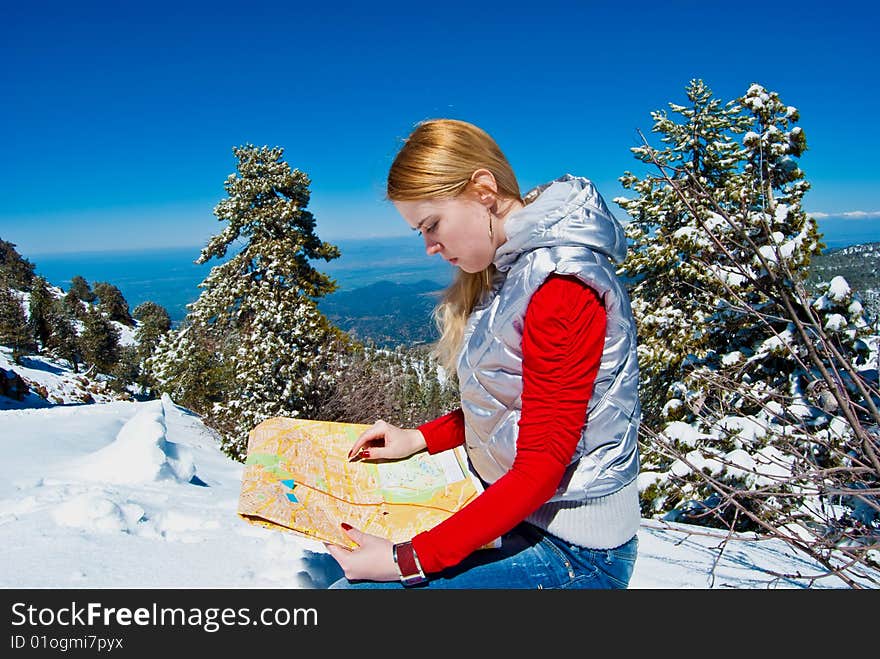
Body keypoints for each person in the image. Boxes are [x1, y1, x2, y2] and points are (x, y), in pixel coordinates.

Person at [325, 118, 641, 589]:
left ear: (483, 190)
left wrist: (406, 559)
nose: (431, 247)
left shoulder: (561, 287)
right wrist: (419, 439)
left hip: (575, 553)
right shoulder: (515, 273)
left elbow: (540, 468)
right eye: (420, 232)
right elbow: (514, 402)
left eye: (432, 225)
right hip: (524, 518)